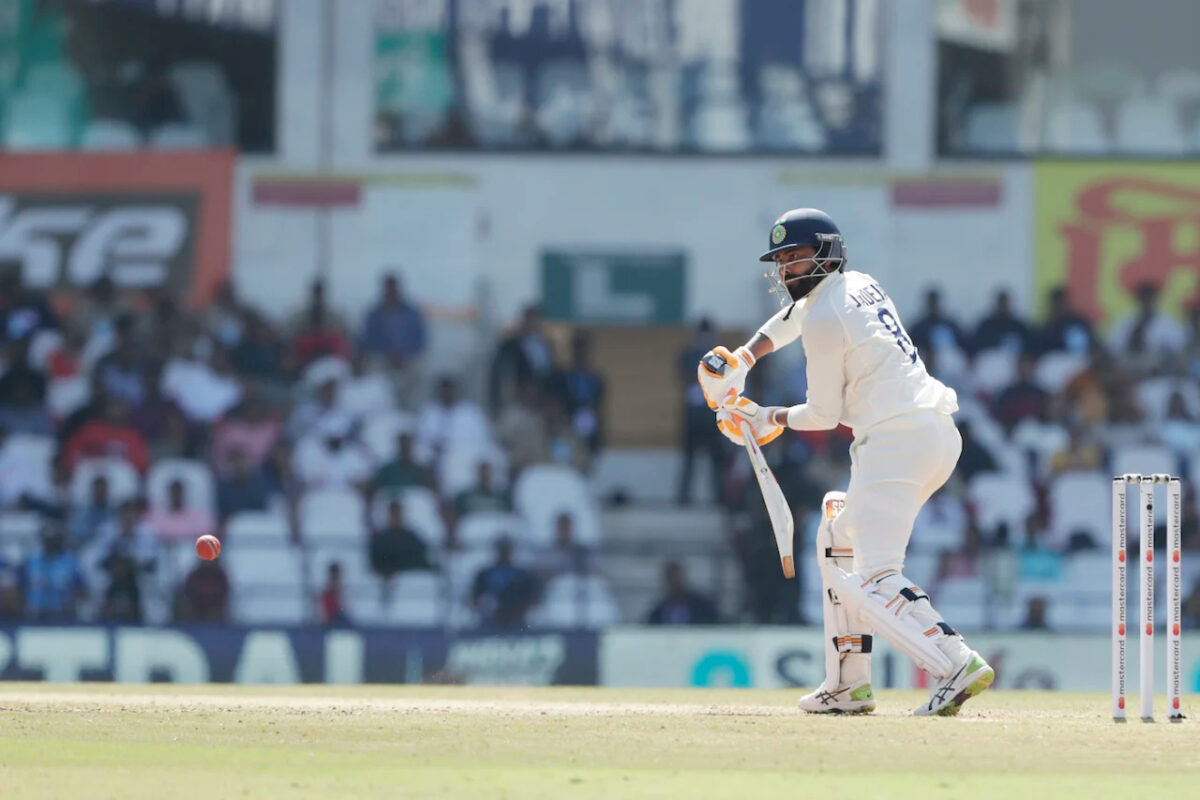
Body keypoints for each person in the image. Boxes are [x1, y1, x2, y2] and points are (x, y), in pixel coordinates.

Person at [696, 208, 993, 716]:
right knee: (837, 537)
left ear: (827, 252)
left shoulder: (827, 318)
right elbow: (795, 317)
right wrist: (744, 358)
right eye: (782, 261)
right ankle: (847, 684)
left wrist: (764, 417)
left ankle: (954, 662)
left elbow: (823, 414)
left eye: (797, 257)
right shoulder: (859, 284)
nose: (788, 269)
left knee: (876, 576)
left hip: (895, 441)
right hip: (932, 433)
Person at [677, 318, 725, 505]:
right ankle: (683, 498)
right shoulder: (688, 354)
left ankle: (720, 498)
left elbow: (721, 377)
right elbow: (683, 376)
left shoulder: (717, 356)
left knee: (716, 460)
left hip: (712, 414)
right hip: (693, 415)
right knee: (689, 460)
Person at [471, 536, 540, 629]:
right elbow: (476, 597)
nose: (504, 553)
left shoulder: (522, 574)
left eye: (506, 550)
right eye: (501, 550)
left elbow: (532, 598)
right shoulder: (485, 574)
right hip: (490, 620)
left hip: (517, 619)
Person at [644, 561, 719, 625]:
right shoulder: (658, 612)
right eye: (671, 579)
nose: (675, 583)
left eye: (677, 578)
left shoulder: (703, 608)